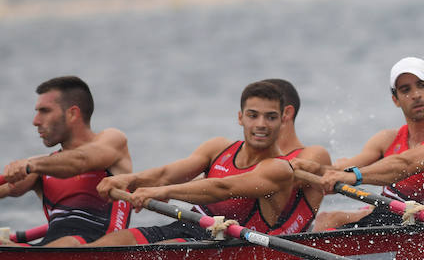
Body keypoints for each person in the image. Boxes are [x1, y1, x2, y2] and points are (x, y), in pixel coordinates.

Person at [92, 80, 330, 244]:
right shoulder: (218, 147)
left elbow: (223, 188)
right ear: (240, 117)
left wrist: (162, 191)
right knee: (114, 242)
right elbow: (166, 174)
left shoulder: (278, 168)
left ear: (282, 120)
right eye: (253, 115)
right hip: (191, 226)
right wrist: (128, 179)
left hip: (230, 243)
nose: (260, 124)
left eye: (270, 117)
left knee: (162, 250)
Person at [308, 57, 424, 229]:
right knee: (326, 219)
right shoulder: (386, 139)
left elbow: (406, 164)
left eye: (421, 85)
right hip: (386, 220)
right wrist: (312, 168)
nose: (416, 95)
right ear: (395, 99)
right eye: (405, 90)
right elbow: (341, 171)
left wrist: (354, 176)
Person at [0, 76, 134, 247]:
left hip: (99, 249)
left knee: (70, 242)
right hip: (49, 250)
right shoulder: (40, 168)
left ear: (72, 114)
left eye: (45, 111)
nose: (36, 121)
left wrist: (31, 165)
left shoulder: (112, 140)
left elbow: (80, 160)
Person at [264, 78, 304, 153]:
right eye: (253, 116)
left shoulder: (311, 155)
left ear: (287, 113)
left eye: (268, 115)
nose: (259, 123)